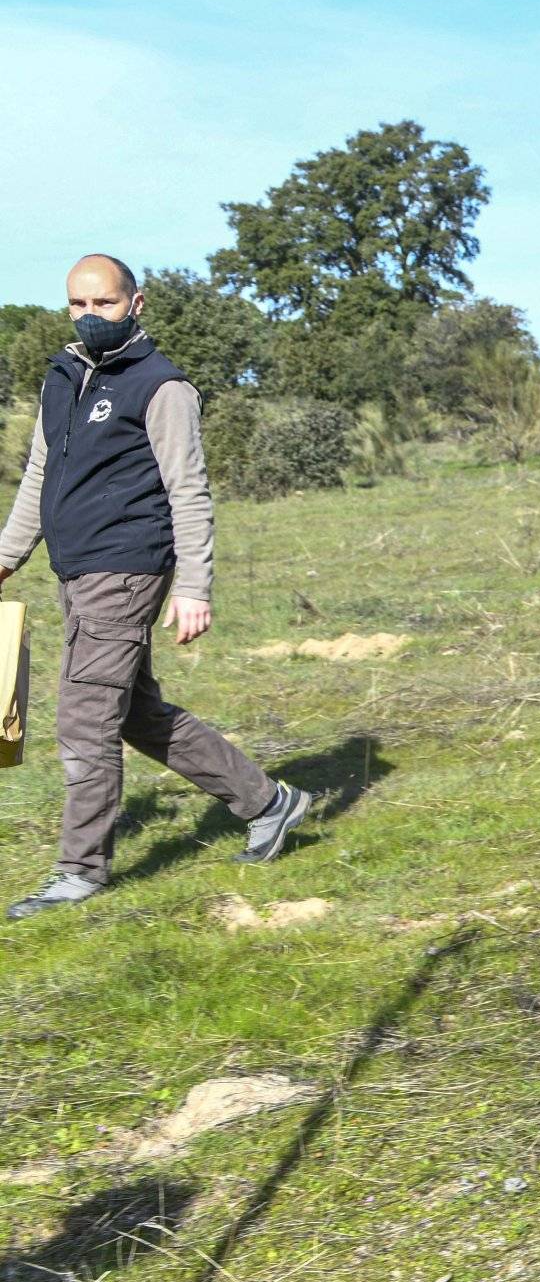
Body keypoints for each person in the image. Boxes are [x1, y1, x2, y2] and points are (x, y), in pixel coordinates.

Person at [0, 255, 310, 920]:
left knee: (84, 719)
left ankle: (79, 872)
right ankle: (269, 802)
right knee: (134, 713)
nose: (90, 316)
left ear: (135, 305)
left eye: (104, 304)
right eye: (78, 304)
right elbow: (39, 473)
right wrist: (5, 554)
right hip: (76, 568)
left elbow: (188, 489)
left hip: (127, 566)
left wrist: (193, 585)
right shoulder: (62, 376)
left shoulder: (160, 386)